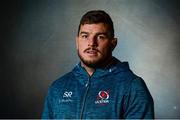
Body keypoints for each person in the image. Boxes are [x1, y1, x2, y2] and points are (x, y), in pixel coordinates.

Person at [41, 10, 154, 119]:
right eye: (85, 36)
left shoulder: (132, 87)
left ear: (113, 44)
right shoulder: (58, 88)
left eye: (100, 37)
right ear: (77, 42)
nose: (91, 43)